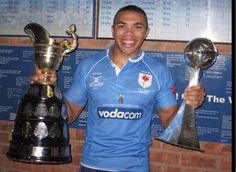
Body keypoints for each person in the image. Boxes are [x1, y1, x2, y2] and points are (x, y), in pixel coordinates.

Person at [31, 5, 206, 172]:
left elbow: (169, 122)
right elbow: (68, 115)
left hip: (135, 167)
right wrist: (49, 89)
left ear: (146, 33)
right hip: (92, 164)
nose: (129, 33)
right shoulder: (89, 66)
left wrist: (189, 105)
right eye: (122, 26)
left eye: (137, 27)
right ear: (113, 29)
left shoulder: (159, 72)